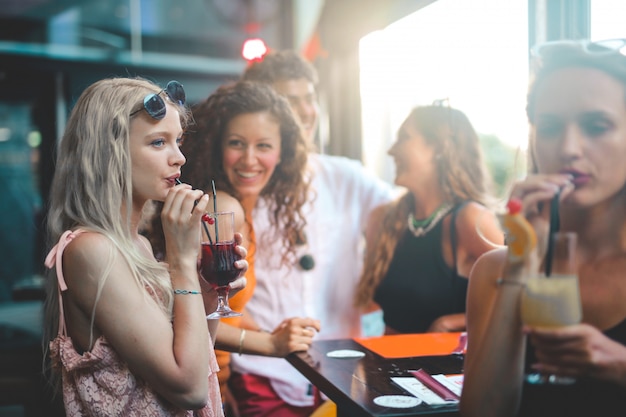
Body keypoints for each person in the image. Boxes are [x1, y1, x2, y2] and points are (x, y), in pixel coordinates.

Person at [42, 77, 248, 416]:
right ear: (110, 152)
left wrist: (209, 293)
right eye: (158, 142)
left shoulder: (136, 243)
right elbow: (191, 390)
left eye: (178, 142)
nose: (179, 158)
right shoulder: (90, 250)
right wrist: (181, 261)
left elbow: (198, 359)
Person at [460, 38, 626, 417]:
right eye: (550, 127)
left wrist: (616, 363)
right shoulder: (496, 270)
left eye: (596, 126)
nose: (569, 148)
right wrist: (522, 266)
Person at [233, 50, 396, 416]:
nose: (306, 110)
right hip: (264, 375)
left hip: (344, 372)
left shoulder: (345, 176)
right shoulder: (238, 188)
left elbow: (409, 214)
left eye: (310, 98)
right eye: (291, 100)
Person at [146, 80, 321, 417]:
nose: (250, 159)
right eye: (237, 144)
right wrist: (270, 344)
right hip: (200, 387)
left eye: (264, 145)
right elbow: (183, 315)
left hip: (221, 381)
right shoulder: (224, 208)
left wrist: (269, 331)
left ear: (282, 152)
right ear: (216, 147)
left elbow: (223, 302)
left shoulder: (242, 206)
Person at [354, 103, 504, 334]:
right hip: (388, 365)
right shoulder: (382, 220)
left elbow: (516, 297)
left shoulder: (469, 220)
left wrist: (451, 322)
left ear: (438, 148)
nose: (391, 151)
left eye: (403, 138)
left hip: (451, 369)